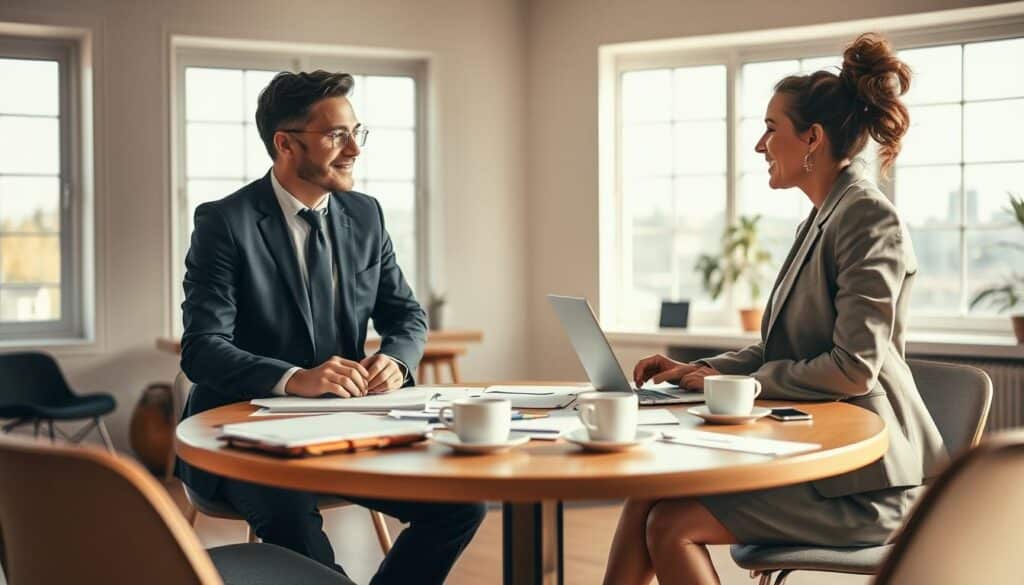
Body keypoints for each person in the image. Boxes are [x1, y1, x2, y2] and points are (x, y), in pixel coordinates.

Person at [602, 33, 948, 585]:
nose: (761, 145)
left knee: (670, 524)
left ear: (811, 138)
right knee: (651, 494)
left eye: (770, 128)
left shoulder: (866, 218)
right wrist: (707, 370)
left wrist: (744, 387)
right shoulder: (822, 215)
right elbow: (782, 347)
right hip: (828, 460)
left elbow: (853, 366)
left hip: (867, 482)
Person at [176, 70, 485, 584]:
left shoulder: (365, 215)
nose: (354, 150)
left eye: (356, 133)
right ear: (285, 144)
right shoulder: (224, 223)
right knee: (299, 532)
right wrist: (294, 378)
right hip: (243, 432)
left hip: (347, 425)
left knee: (460, 506)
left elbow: (406, 314)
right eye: (336, 135)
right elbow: (202, 349)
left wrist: (397, 359)